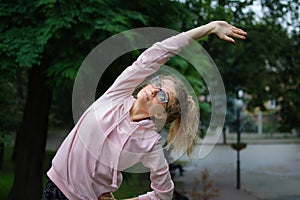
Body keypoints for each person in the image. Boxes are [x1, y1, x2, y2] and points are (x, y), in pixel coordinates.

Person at [42, 21, 247, 200]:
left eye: (163, 96)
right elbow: (158, 53)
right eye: (157, 84)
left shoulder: (149, 143)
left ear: (160, 114)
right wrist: (208, 28)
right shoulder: (118, 94)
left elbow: (163, 194)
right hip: (53, 186)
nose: (154, 90)